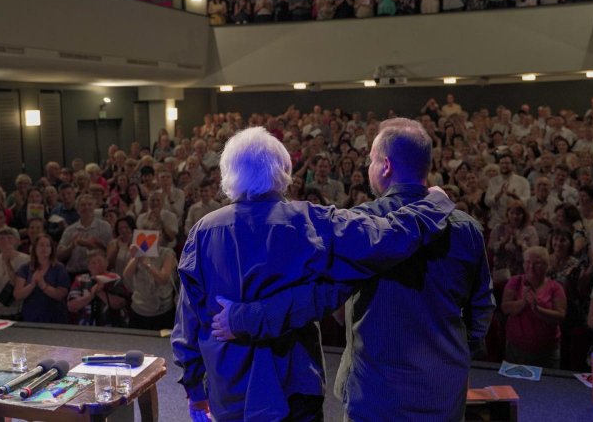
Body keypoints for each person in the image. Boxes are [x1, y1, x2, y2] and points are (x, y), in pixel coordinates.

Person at [210, 118, 494, 422]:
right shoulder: (468, 230)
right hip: (443, 395)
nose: (367, 167)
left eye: (371, 160)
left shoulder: (359, 226)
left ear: (386, 166)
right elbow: (480, 311)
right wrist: (453, 358)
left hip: (376, 395)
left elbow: (315, 298)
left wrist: (242, 319)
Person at [501, 246, 566, 368]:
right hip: (516, 349)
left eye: (537, 263)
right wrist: (523, 302)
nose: (531, 267)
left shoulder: (555, 287)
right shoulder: (515, 281)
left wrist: (538, 309)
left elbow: (560, 316)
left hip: (546, 351)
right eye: (528, 262)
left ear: (547, 266)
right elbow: (505, 308)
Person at [14, 234, 70, 323]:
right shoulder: (25, 268)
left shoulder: (59, 268)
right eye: (41, 245)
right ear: (34, 248)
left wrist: (43, 285)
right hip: (30, 317)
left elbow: (61, 295)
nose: (44, 248)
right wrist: (32, 284)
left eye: (48, 246)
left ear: (52, 249)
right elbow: (18, 295)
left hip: (54, 317)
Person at [67, 249, 128, 326]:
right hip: (85, 326)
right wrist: (91, 294)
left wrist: (100, 292)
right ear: (88, 266)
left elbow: (118, 304)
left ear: (107, 263)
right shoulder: (80, 279)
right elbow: (71, 306)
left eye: (100, 261)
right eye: (93, 263)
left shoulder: (116, 279)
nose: (97, 265)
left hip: (112, 326)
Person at [57, 194, 112, 277]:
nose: (86, 207)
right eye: (83, 205)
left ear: (95, 207)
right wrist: (72, 246)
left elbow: (109, 253)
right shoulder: (70, 229)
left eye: (89, 204)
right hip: (73, 272)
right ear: (77, 209)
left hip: (96, 273)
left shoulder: (105, 226)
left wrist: (93, 245)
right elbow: (59, 255)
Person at [0, 226, 30, 319]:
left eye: (9, 238)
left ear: (17, 241)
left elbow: (18, 286)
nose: (5, 241)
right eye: (2, 238)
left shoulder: (26, 260)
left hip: (16, 312)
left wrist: (8, 263)